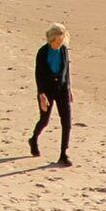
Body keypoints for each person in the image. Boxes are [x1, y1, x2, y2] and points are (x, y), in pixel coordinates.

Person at [27, 26, 72, 167]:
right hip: (47, 90)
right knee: (44, 120)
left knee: (67, 122)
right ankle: (33, 139)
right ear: (51, 39)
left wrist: (69, 88)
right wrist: (41, 95)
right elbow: (38, 75)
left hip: (62, 89)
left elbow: (67, 70)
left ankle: (63, 154)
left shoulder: (63, 50)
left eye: (62, 41)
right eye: (57, 41)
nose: (59, 44)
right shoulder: (42, 52)